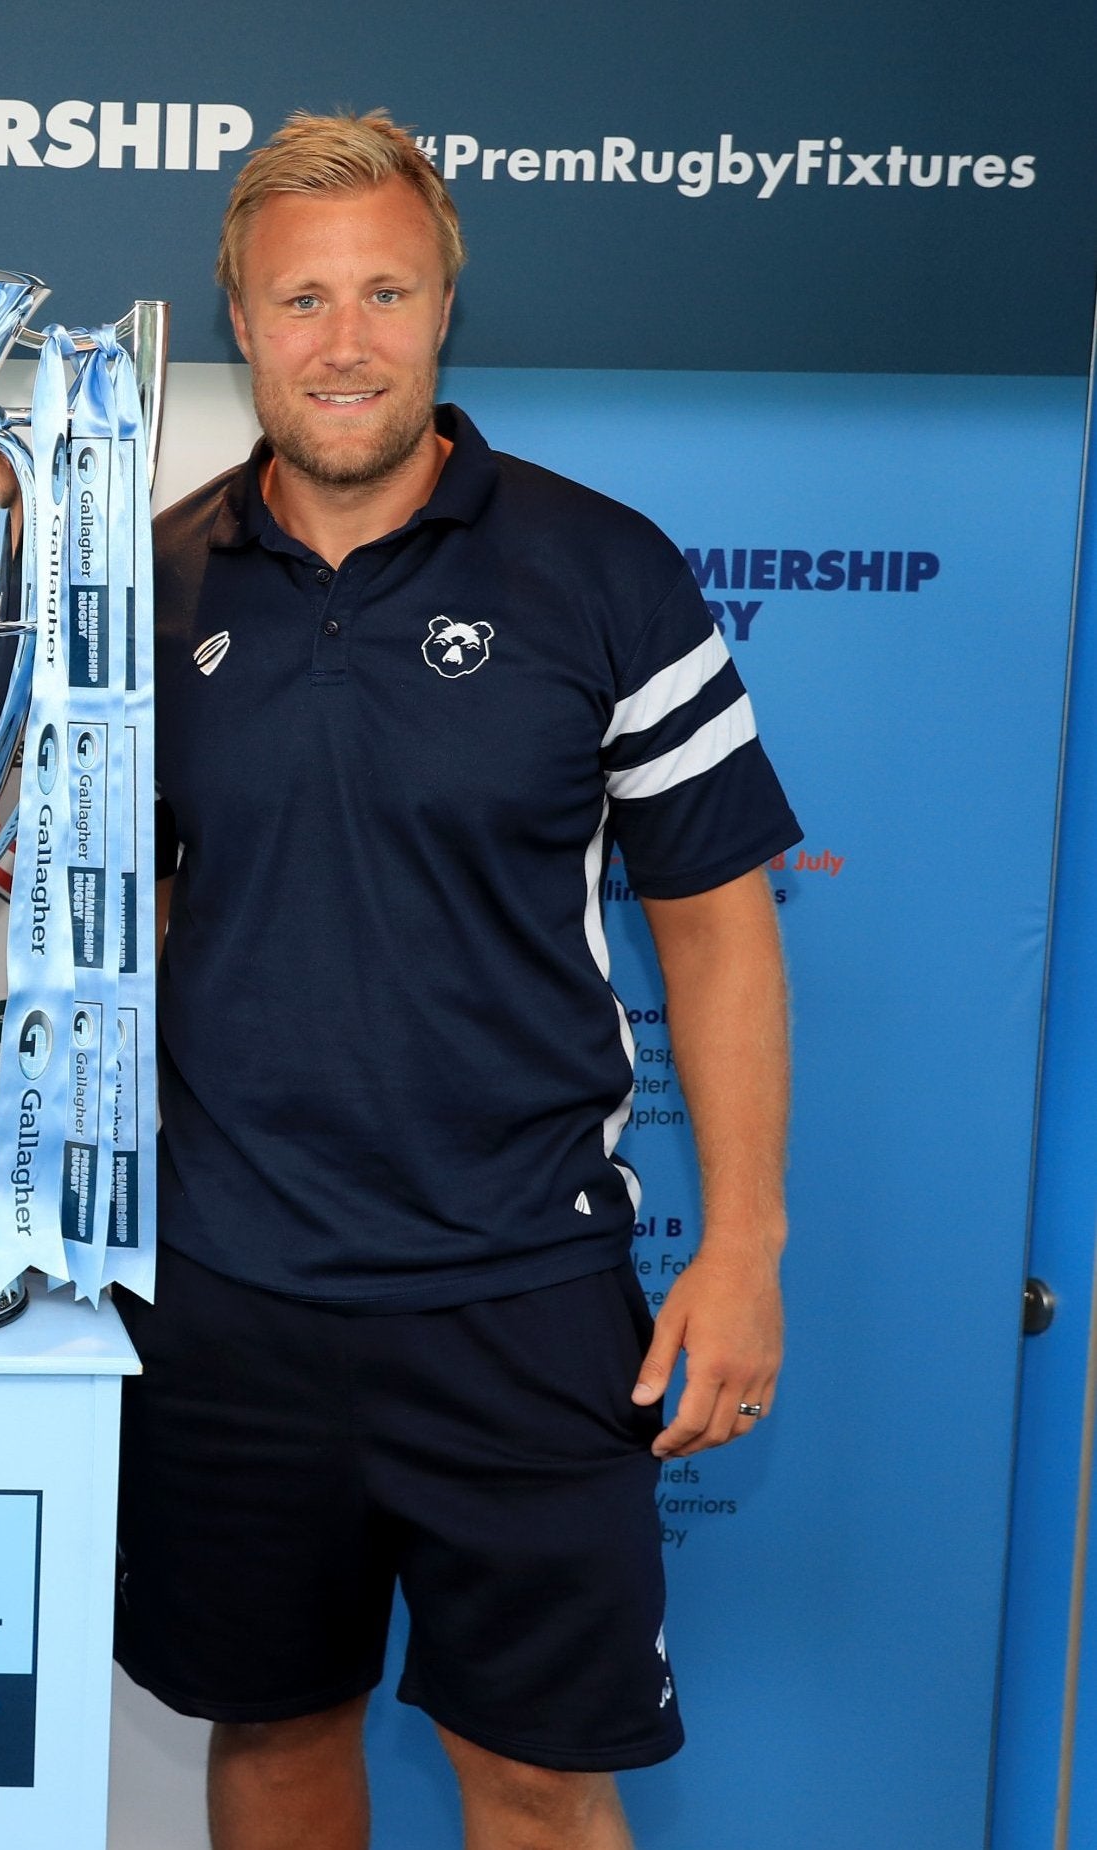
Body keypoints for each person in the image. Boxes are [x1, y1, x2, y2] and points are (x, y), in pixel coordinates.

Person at [120, 113, 799, 1850]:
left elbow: (719, 920)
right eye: (299, 300)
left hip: (524, 1290)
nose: (343, 341)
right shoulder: (147, 588)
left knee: (539, 1780)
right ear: (240, 319)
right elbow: (121, 916)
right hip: (230, 1298)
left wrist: (739, 1251)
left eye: (385, 293)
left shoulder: (605, 569)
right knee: (273, 1740)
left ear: (442, 312)